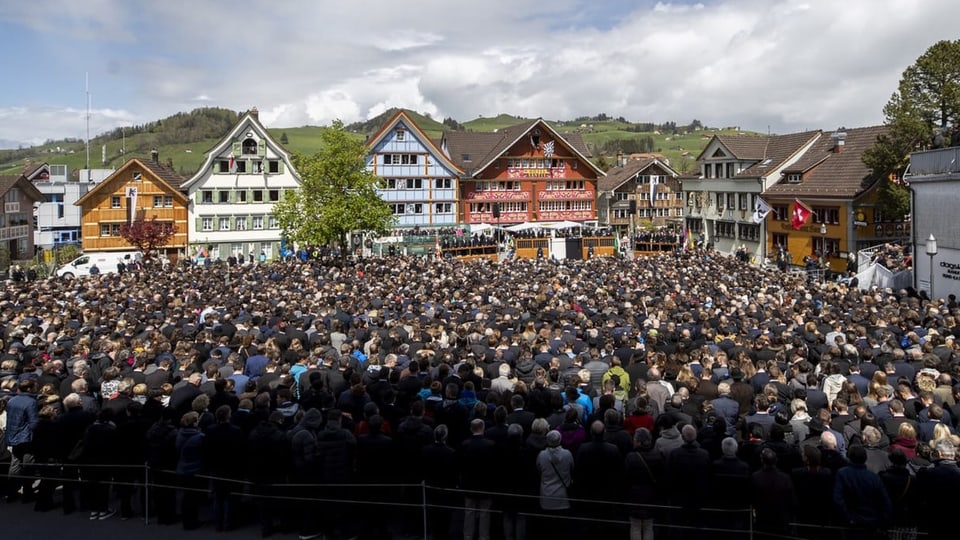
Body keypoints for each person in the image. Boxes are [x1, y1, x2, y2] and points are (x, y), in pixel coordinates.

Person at [833, 445, 891, 539]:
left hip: (851, 524)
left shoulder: (842, 474)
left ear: (849, 457)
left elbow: (838, 499)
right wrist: (883, 523)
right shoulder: (874, 477)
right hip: (871, 523)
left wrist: (848, 516)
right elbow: (885, 502)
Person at [536, 430, 574, 539]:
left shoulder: (542, 455)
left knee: (548, 530)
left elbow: (538, 470)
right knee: (562, 529)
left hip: (546, 496)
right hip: (563, 497)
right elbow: (572, 468)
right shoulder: (567, 454)